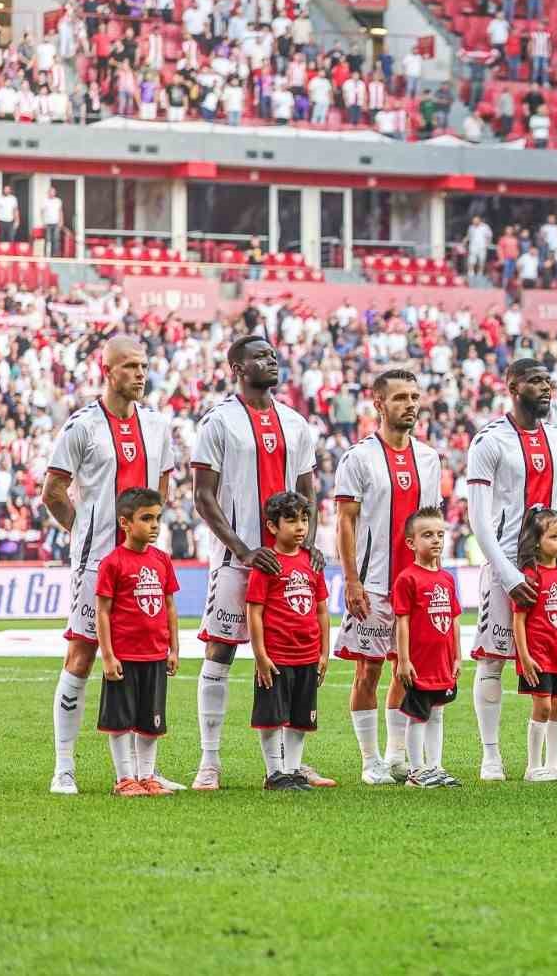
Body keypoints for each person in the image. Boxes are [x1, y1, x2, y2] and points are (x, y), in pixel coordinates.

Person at [44, 336, 177, 795]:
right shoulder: (82, 426)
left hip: (145, 565)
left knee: (148, 658)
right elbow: (54, 492)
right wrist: (83, 534)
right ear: (107, 370)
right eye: (131, 367)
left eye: (144, 366)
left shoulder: (159, 426)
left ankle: (145, 770)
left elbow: (162, 492)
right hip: (97, 562)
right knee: (82, 653)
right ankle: (64, 766)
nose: (140, 374)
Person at [190, 336, 321, 791]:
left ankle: (288, 764)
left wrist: (307, 547)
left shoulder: (295, 423)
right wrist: (244, 549)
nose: (272, 360)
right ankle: (210, 761)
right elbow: (203, 497)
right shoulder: (219, 421)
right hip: (235, 561)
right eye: (259, 356)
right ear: (236, 368)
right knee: (221, 651)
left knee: (292, 660)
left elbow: (309, 493)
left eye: (273, 354)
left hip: (287, 564)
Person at [464, 359, 557, 781]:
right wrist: (508, 574)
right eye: (535, 380)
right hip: (506, 568)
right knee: (493, 660)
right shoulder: (489, 441)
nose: (545, 388)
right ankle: (491, 757)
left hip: (551, 572)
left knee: (556, 662)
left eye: (548, 381)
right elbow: (478, 518)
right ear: (512, 385)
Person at [332, 369, 443, 784]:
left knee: (406, 671)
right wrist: (351, 580)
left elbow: (431, 523)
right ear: (378, 403)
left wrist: (433, 578)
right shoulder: (359, 458)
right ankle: (369, 760)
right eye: (400, 398)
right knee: (368, 672)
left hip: (413, 585)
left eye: (414, 397)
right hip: (374, 584)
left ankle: (397, 756)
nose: (410, 405)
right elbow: (345, 523)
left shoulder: (430, 459)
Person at [93, 487, 179, 797]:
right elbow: (102, 612)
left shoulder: (162, 560)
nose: (154, 525)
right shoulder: (113, 563)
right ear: (125, 523)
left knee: (150, 722)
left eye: (157, 518)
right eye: (146, 518)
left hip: (155, 655)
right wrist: (107, 656)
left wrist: (173, 649)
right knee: (121, 721)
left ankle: (147, 777)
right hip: (124, 657)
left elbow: (169, 605)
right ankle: (124, 779)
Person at [246, 491, 333, 791]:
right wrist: (260, 655)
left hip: (307, 654)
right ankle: (274, 773)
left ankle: (294, 770)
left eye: (304, 520)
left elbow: (321, 609)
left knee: (300, 718)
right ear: (272, 526)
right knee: (272, 718)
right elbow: (254, 612)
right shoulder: (267, 564)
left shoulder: (313, 562)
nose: (300, 527)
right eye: (291, 520)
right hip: (277, 656)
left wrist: (324, 652)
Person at [511, 506, 557, 783]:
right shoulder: (529, 575)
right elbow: (518, 620)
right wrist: (525, 656)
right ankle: (534, 767)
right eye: (555, 536)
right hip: (538, 655)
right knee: (542, 707)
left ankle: (554, 765)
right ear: (537, 540)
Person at [392, 507, 462, 788]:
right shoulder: (408, 579)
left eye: (440, 535)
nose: (435, 540)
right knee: (418, 715)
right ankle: (416, 771)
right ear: (411, 542)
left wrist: (457, 656)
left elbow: (454, 619)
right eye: (427, 535)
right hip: (420, 662)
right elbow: (403, 622)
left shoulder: (446, 578)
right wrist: (404, 660)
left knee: (438, 713)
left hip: (443, 662)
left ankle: (435, 766)